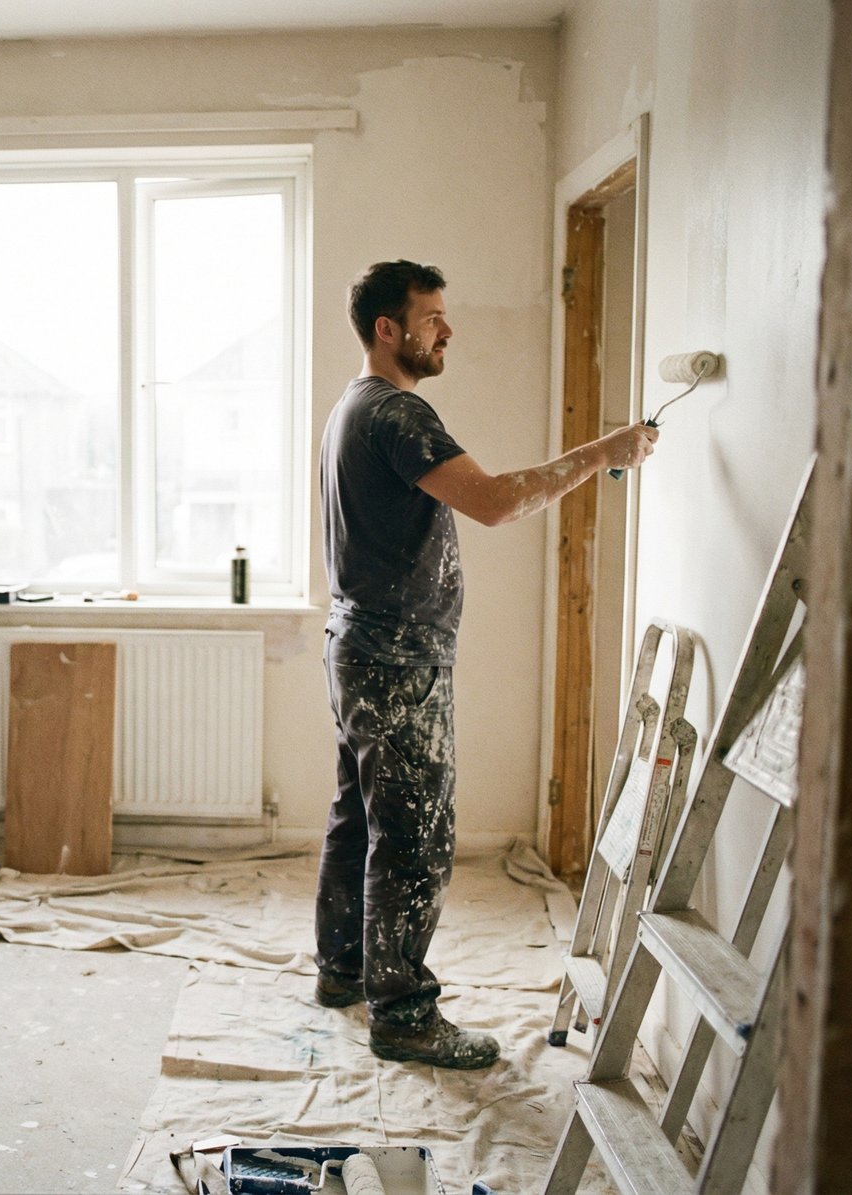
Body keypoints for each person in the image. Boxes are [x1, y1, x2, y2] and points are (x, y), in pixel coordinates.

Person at [315, 260, 658, 1069]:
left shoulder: (352, 406)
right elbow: (498, 501)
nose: (448, 330)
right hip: (397, 658)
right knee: (415, 836)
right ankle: (403, 1014)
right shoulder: (397, 411)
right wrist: (603, 451)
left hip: (359, 644)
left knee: (360, 815)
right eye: (432, 316)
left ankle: (344, 971)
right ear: (389, 329)